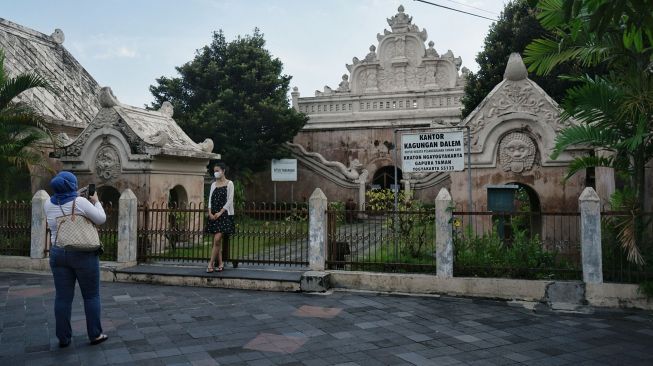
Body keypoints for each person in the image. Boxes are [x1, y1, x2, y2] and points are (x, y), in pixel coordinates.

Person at [44, 171, 108, 347]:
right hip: (83, 254)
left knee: (63, 298)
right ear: (71, 185)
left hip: (58, 253)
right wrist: (95, 201)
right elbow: (101, 219)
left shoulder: (47, 203)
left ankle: (63, 338)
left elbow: (63, 203)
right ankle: (95, 335)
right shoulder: (80, 202)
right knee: (91, 296)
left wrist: (76, 195)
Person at [206, 162, 235, 273]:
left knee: (217, 239)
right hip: (213, 214)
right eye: (214, 171)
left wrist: (220, 212)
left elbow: (230, 200)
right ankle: (221, 263)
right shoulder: (213, 184)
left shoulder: (229, 183)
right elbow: (209, 200)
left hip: (224, 214)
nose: (215, 173)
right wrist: (210, 212)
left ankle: (210, 263)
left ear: (223, 171)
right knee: (216, 242)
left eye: (217, 170)